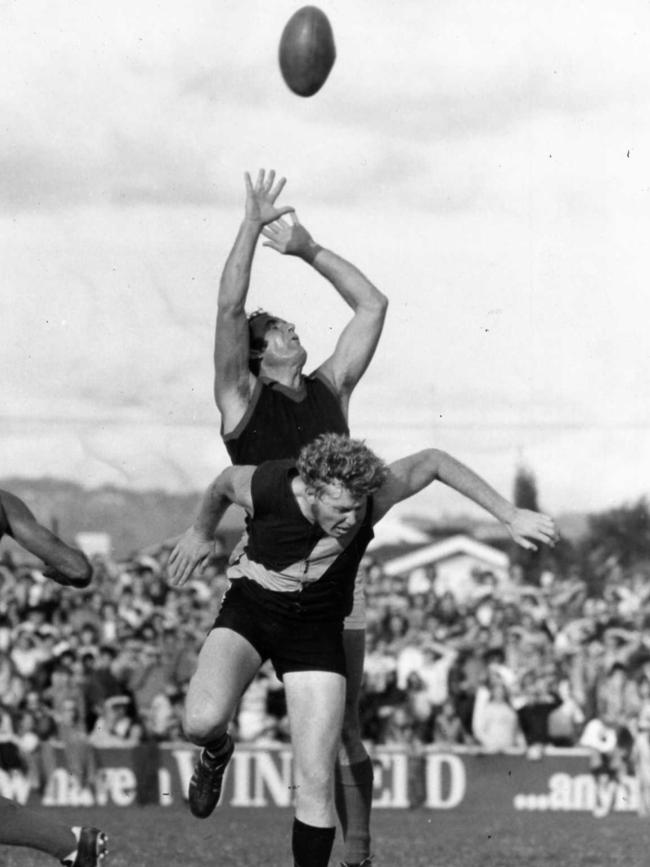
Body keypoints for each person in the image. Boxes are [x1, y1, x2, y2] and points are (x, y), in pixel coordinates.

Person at [169, 433, 556, 867]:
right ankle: (217, 752)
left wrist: (509, 514)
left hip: (315, 626)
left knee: (315, 782)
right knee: (201, 723)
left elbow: (433, 460)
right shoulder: (268, 485)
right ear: (310, 490)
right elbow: (222, 482)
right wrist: (201, 532)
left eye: (357, 508)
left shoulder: (372, 496)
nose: (352, 518)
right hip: (251, 608)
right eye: (340, 509)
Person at [211, 168, 388, 867]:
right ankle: (215, 743)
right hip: (265, 582)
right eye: (281, 328)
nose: (293, 329)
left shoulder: (330, 387)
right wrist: (251, 228)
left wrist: (309, 249)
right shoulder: (241, 401)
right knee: (209, 712)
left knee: (344, 730)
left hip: (336, 585)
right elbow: (229, 312)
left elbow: (372, 304)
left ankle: (361, 853)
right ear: (261, 354)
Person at [0, 489, 108, 867]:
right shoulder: (3, 503)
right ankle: (73, 846)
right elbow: (78, 569)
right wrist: (59, 570)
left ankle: (71, 845)